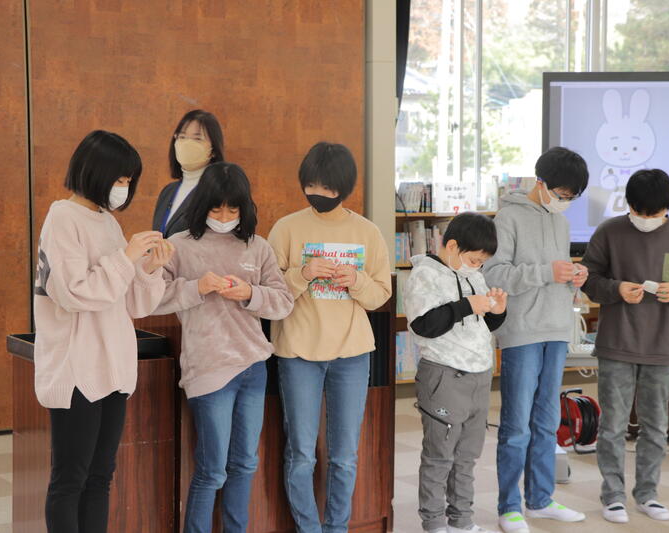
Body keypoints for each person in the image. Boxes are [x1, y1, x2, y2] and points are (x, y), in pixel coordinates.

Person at [34, 130, 173, 533]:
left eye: (129, 180)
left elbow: (131, 304)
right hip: (77, 369)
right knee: (70, 479)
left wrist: (149, 268)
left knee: (100, 476)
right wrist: (126, 257)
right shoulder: (63, 217)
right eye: (120, 178)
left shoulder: (108, 222)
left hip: (113, 370)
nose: (123, 187)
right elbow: (74, 292)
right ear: (95, 171)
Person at [153, 161, 293, 533]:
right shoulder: (179, 246)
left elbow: (283, 302)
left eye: (233, 210)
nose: (225, 217)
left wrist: (250, 293)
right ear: (202, 205)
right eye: (217, 210)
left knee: (245, 464)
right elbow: (151, 298)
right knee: (212, 470)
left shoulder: (257, 246)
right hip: (208, 369)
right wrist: (196, 288)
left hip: (253, 367)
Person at [267, 142, 392, 533]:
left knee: (344, 456)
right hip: (298, 352)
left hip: (352, 354)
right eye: (311, 185)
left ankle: (336, 528)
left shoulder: (367, 232)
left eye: (327, 187)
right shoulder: (286, 228)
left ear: (344, 187)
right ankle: (309, 529)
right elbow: (268, 293)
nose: (317, 193)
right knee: (301, 453)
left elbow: (380, 295)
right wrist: (302, 274)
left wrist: (355, 280)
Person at [581, 168, 669, 524]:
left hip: (662, 345)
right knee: (613, 425)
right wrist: (616, 289)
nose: (647, 219)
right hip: (616, 343)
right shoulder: (609, 231)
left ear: (668, 207)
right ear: (630, 205)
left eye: (656, 213)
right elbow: (589, 279)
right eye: (640, 212)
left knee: (655, 426)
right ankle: (612, 497)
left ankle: (647, 494)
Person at [483, 147, 590, 532]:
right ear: (541, 182)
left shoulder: (560, 223)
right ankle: (509, 506)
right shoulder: (508, 217)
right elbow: (494, 275)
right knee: (516, 425)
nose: (565, 201)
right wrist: (547, 272)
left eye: (572, 197)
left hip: (557, 329)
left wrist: (575, 278)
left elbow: (555, 275)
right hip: (522, 331)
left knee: (546, 421)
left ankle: (541, 499)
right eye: (562, 194)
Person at [404, 213, 507, 533]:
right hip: (445, 376)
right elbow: (423, 325)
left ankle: (462, 520)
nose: (477, 266)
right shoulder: (425, 274)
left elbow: (485, 323)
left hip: (479, 375)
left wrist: (498, 310)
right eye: (474, 259)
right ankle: (434, 523)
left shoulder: (473, 273)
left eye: (482, 262)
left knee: (467, 456)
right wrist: (467, 305)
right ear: (452, 246)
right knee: (440, 455)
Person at [153, 109, 225, 237]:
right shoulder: (168, 191)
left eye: (197, 138)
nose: (187, 143)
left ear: (213, 150)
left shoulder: (219, 192)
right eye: (182, 137)